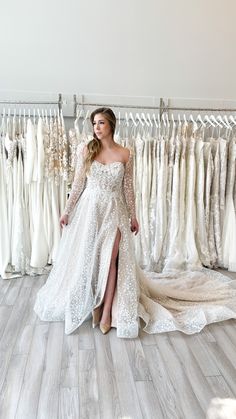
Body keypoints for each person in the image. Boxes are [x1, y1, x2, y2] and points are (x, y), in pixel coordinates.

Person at [34, 107, 236, 338]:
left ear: (111, 125)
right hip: (90, 211)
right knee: (90, 258)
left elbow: (128, 188)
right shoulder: (86, 149)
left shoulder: (125, 154)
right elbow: (78, 183)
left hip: (115, 211)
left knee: (111, 261)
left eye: (100, 123)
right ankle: (92, 299)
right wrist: (67, 211)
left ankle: (107, 310)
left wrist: (133, 215)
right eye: (94, 124)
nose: (96, 128)